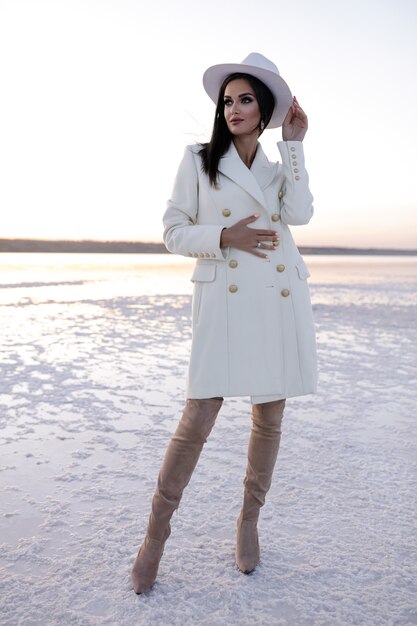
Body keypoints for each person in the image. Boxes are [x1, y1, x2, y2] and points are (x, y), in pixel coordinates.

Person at [131, 52, 317, 594]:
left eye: (246, 100)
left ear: (265, 112)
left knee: (268, 418)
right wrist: (223, 238)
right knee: (197, 419)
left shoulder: (278, 170)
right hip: (226, 302)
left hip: (277, 302)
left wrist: (298, 145)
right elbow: (172, 231)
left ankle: (248, 523)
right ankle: (154, 541)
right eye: (228, 100)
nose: (234, 108)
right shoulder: (197, 160)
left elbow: (300, 215)